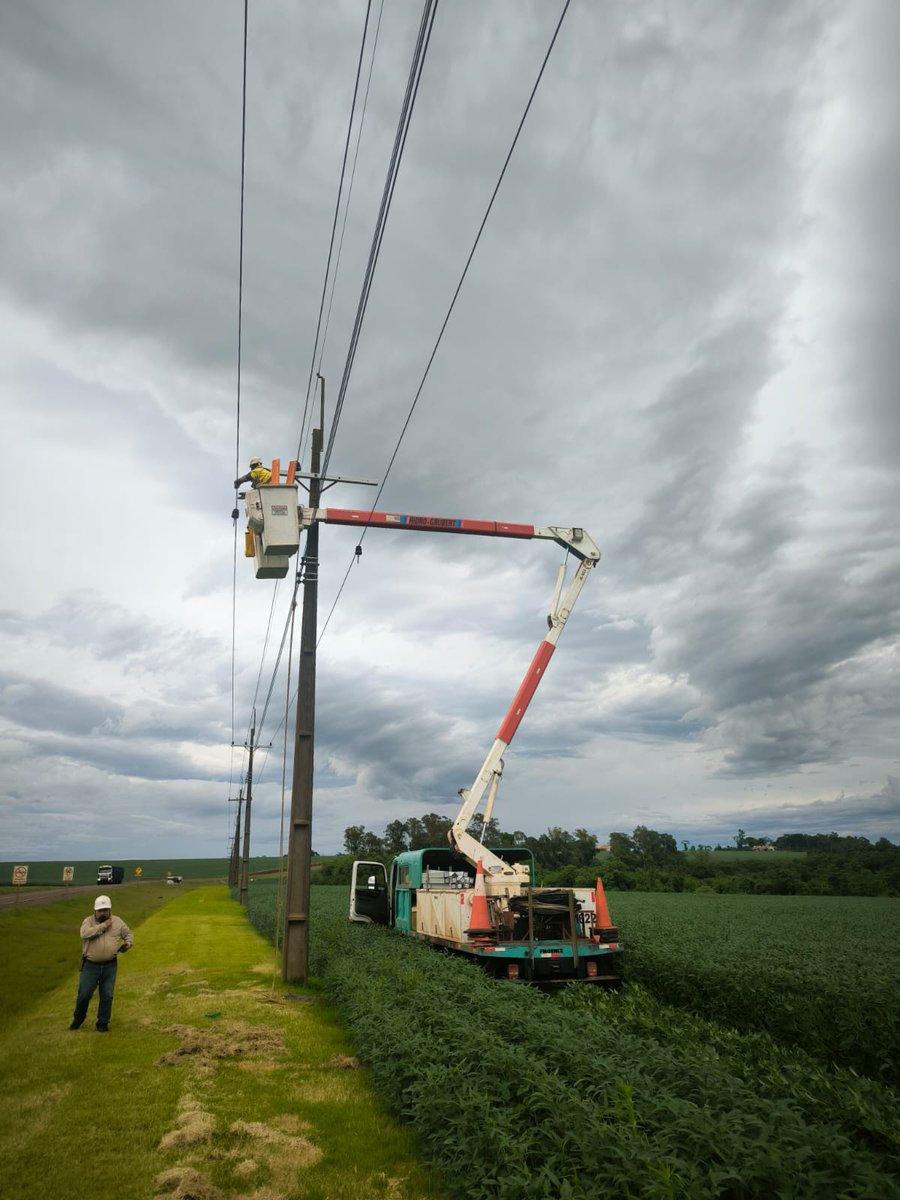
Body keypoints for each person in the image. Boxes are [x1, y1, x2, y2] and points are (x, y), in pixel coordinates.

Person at [69, 895, 133, 1032]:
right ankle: (78, 1019)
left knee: (107, 995)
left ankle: (103, 1023)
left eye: (106, 910)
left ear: (110, 910)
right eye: (100, 910)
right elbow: (84, 934)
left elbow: (128, 933)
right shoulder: (88, 921)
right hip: (91, 966)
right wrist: (103, 926)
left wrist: (128, 944)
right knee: (84, 994)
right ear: (95, 911)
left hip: (110, 965)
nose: (103, 913)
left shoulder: (117, 921)